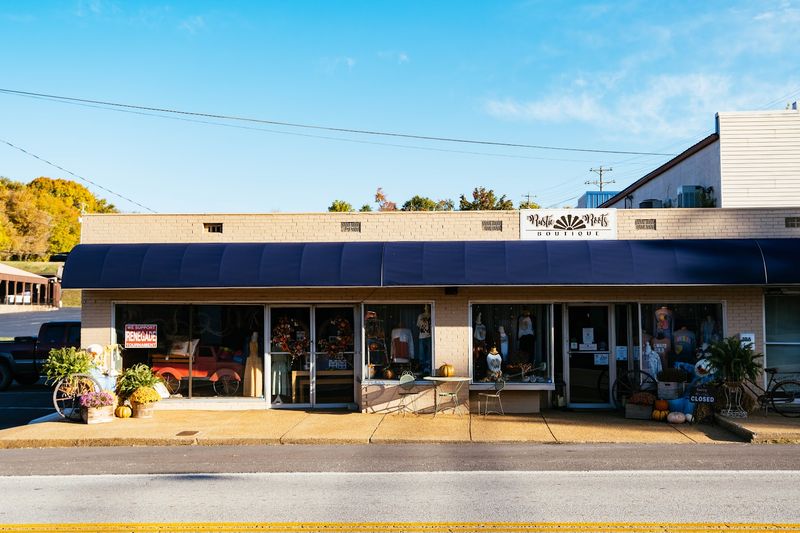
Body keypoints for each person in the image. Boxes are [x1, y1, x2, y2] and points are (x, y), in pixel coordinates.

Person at [416, 305, 432, 375]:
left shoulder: (432, 315)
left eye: (427, 306)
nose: (426, 307)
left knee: (429, 353)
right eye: (425, 306)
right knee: (422, 354)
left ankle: (428, 369)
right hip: (422, 336)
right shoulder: (420, 316)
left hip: (430, 336)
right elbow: (418, 325)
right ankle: (423, 370)